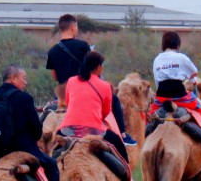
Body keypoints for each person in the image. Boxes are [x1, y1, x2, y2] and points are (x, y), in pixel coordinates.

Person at [45, 14, 137, 146]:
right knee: (115, 100)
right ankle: (123, 134)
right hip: (84, 87)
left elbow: (54, 77)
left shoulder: (52, 51)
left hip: (62, 94)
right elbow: (91, 68)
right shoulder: (83, 45)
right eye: (76, 27)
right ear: (72, 27)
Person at [151, 31, 201, 150]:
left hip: (161, 98)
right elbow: (194, 72)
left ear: (164, 44)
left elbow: (157, 82)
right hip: (180, 97)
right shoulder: (181, 57)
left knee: (150, 116)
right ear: (177, 45)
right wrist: (190, 77)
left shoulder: (156, 60)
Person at [59, 50, 130, 163]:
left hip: (68, 130)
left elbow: (68, 104)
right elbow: (106, 111)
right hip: (94, 131)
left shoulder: (71, 81)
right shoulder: (105, 86)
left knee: (49, 149)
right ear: (98, 67)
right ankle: (128, 178)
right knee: (118, 143)